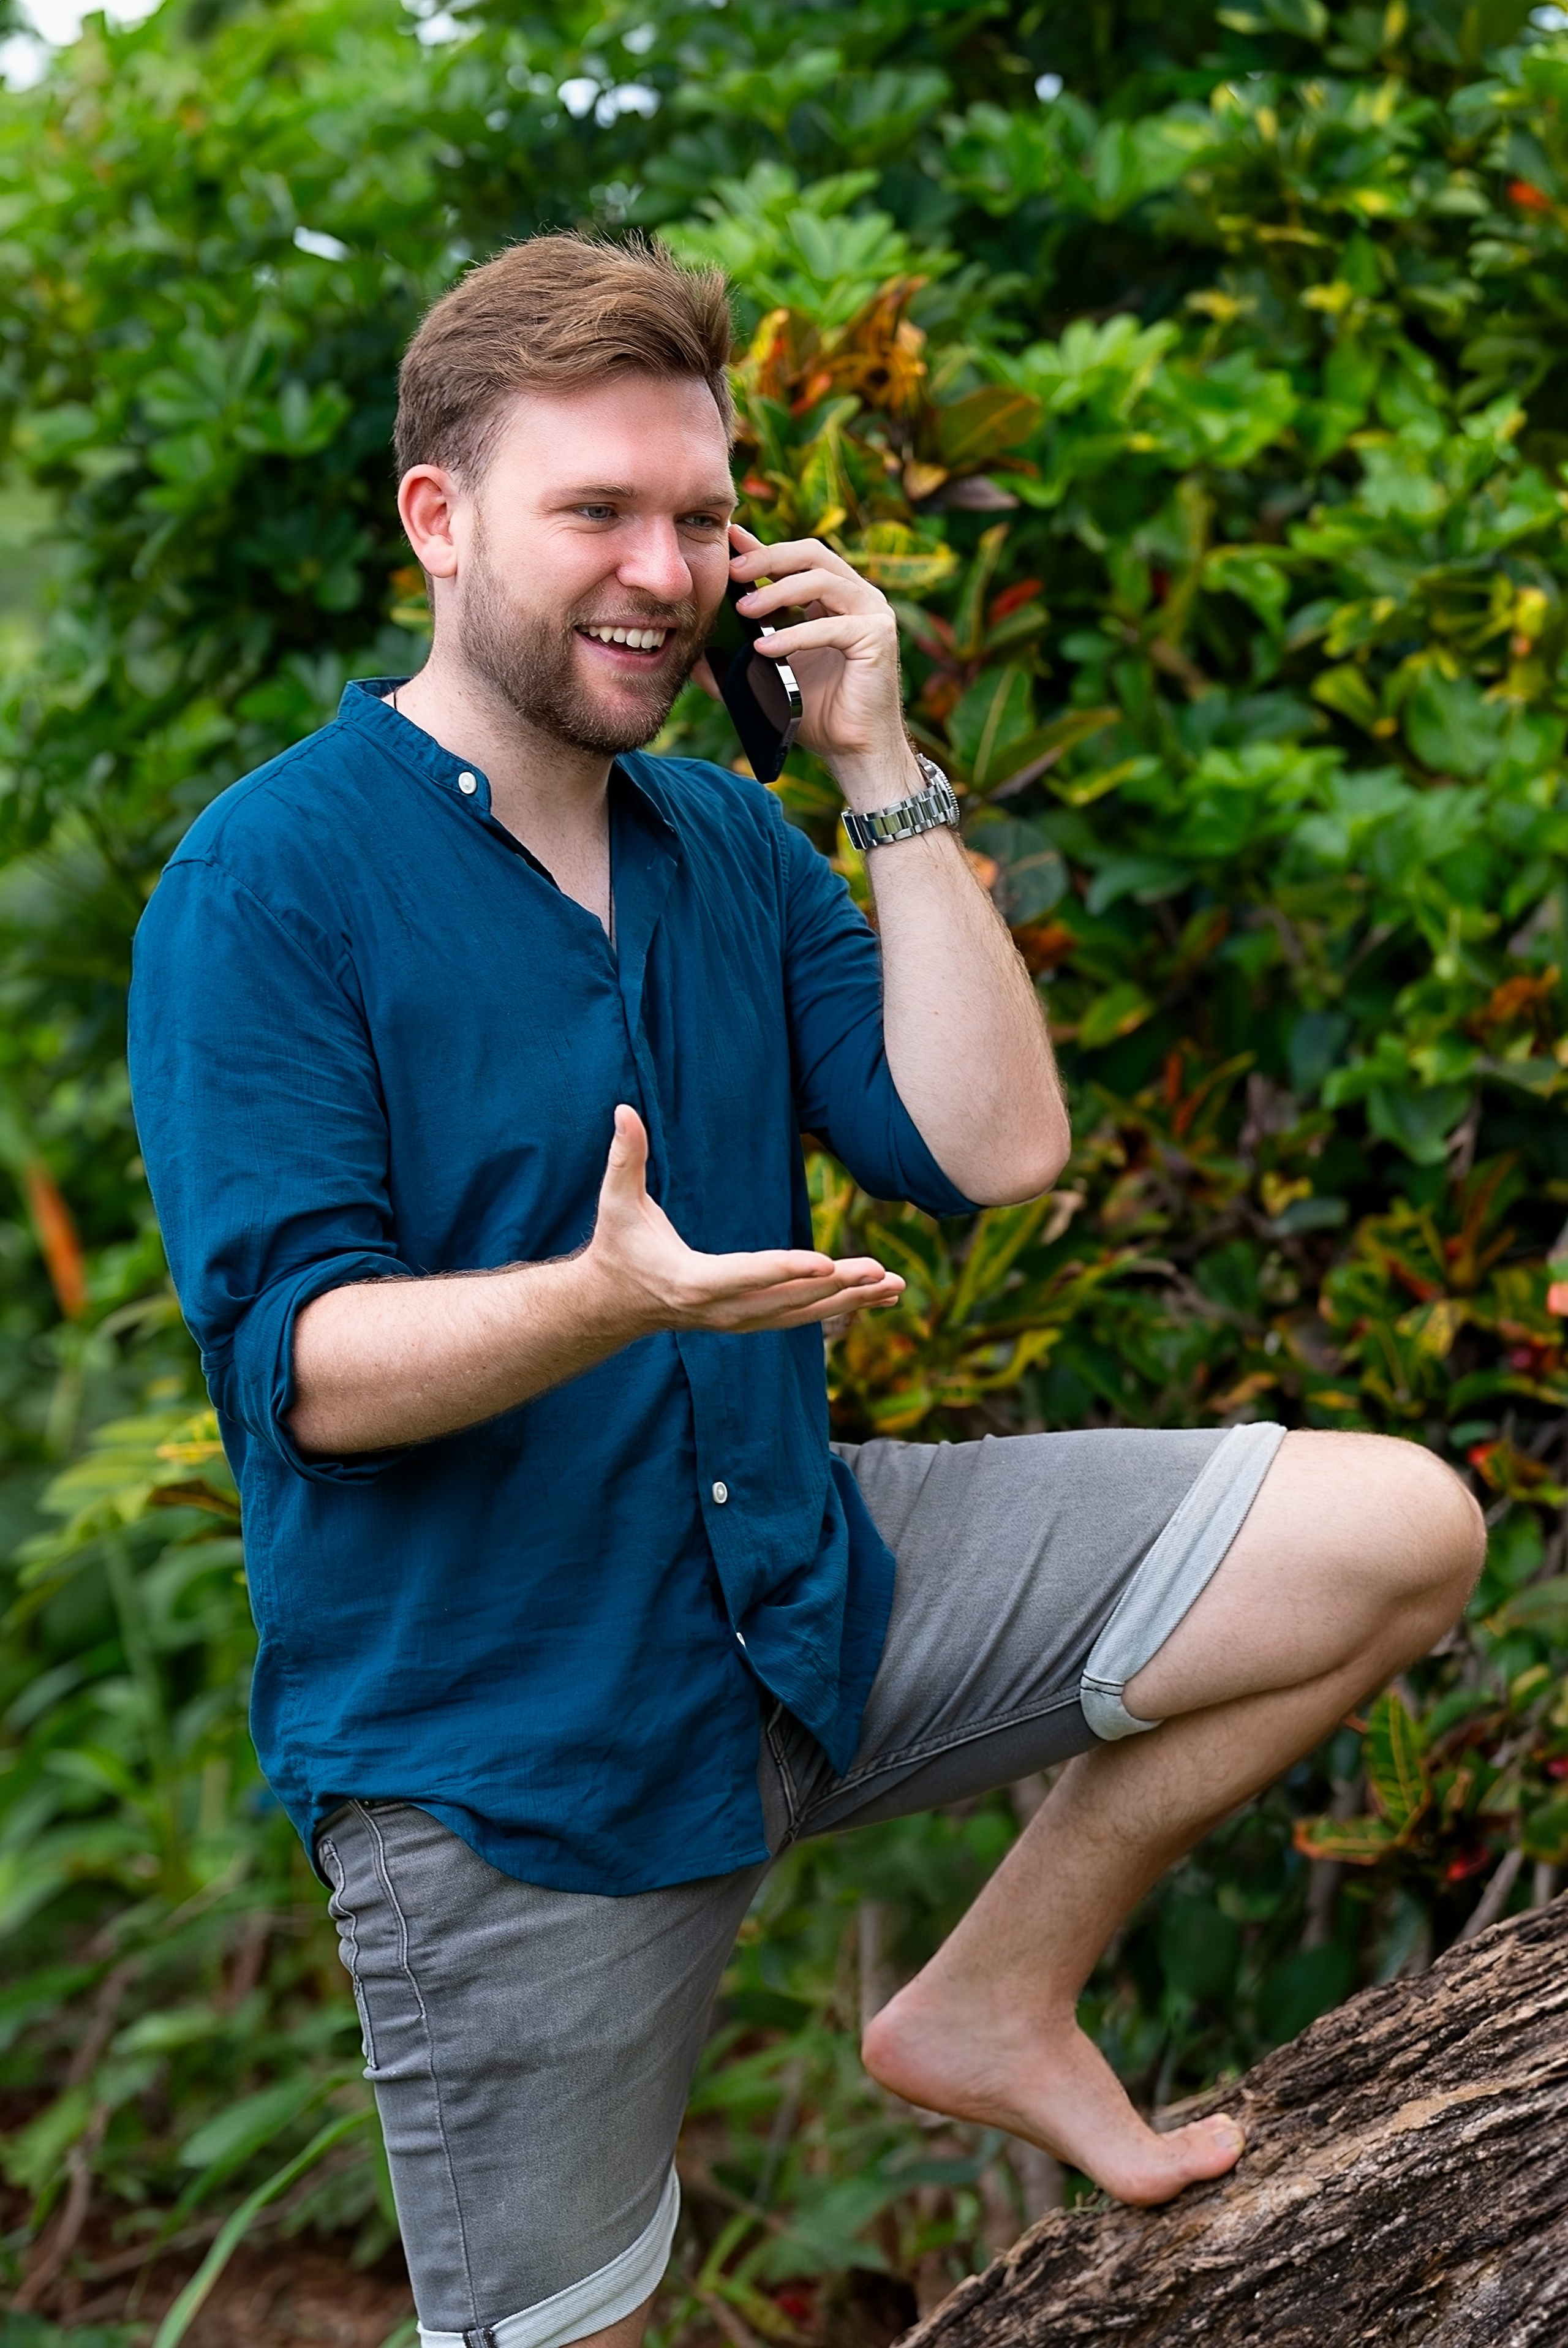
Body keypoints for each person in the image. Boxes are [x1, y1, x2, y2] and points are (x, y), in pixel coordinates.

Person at [127, 233, 1484, 2348]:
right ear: (440, 516)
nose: (662, 569)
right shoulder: (267, 880)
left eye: (698, 512)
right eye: (597, 511)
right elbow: (306, 1373)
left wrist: (877, 764)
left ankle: (1000, 1993)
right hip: (510, 1763)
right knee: (552, 2336)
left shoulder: (732, 844)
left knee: (1393, 1527)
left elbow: (993, 1148)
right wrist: (605, 1296)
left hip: (813, 1594)